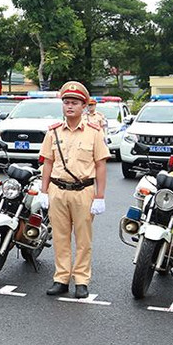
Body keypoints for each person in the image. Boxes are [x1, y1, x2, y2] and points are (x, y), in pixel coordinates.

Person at [37, 81, 109, 299]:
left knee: (83, 239)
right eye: (66, 102)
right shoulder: (53, 132)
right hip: (57, 189)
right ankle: (61, 278)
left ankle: (81, 280)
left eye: (74, 103)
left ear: (84, 106)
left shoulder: (94, 133)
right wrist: (43, 190)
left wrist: (100, 196)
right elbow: (47, 162)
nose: (69, 106)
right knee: (60, 238)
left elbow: (100, 165)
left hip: (83, 191)